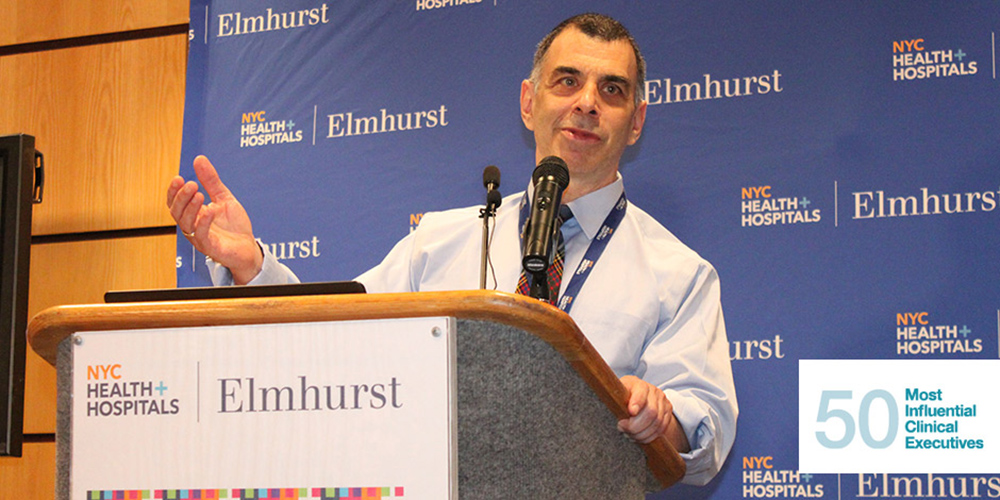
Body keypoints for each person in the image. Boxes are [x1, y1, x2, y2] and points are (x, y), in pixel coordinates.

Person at [167, 13, 737, 486]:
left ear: (636, 121)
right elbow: (336, 337)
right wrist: (253, 268)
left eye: (612, 90)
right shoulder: (438, 243)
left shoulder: (678, 274)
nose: (587, 102)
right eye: (567, 81)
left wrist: (660, 413)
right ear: (528, 102)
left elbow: (703, 428)